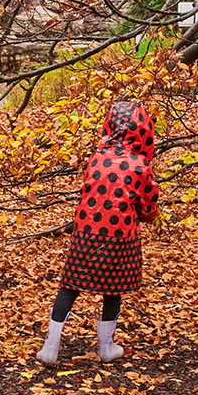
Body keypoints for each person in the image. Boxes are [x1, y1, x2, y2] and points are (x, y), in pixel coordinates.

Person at [37, 101, 158, 366]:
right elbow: (148, 206)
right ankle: (106, 347)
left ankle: (50, 348)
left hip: (86, 232)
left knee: (69, 286)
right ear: (143, 132)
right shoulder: (140, 165)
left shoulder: (96, 158)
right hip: (120, 237)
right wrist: (148, 214)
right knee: (113, 289)